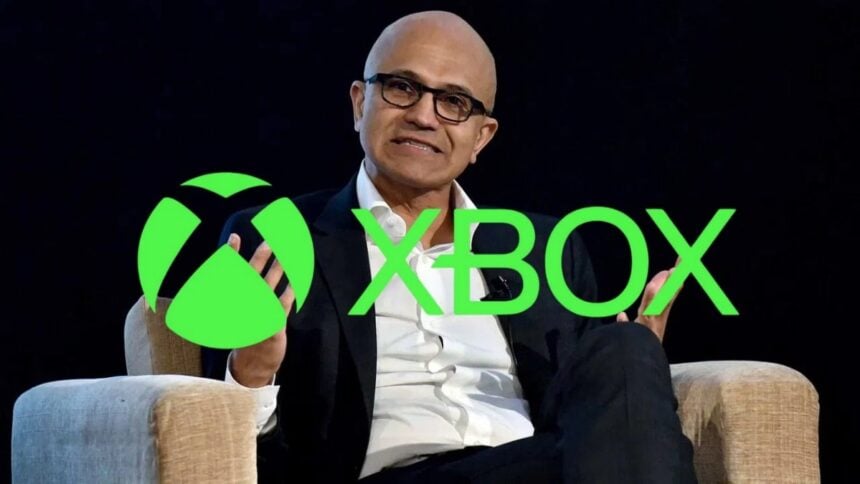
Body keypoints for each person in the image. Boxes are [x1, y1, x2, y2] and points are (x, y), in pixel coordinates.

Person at [202, 10, 696, 483]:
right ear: (359, 103)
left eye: (454, 102)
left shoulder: (546, 250)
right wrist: (253, 372)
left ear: (481, 137)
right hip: (386, 473)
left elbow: (588, 423)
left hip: (535, 466)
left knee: (625, 348)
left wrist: (634, 379)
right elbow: (224, 443)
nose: (423, 116)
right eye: (402, 87)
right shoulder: (278, 238)